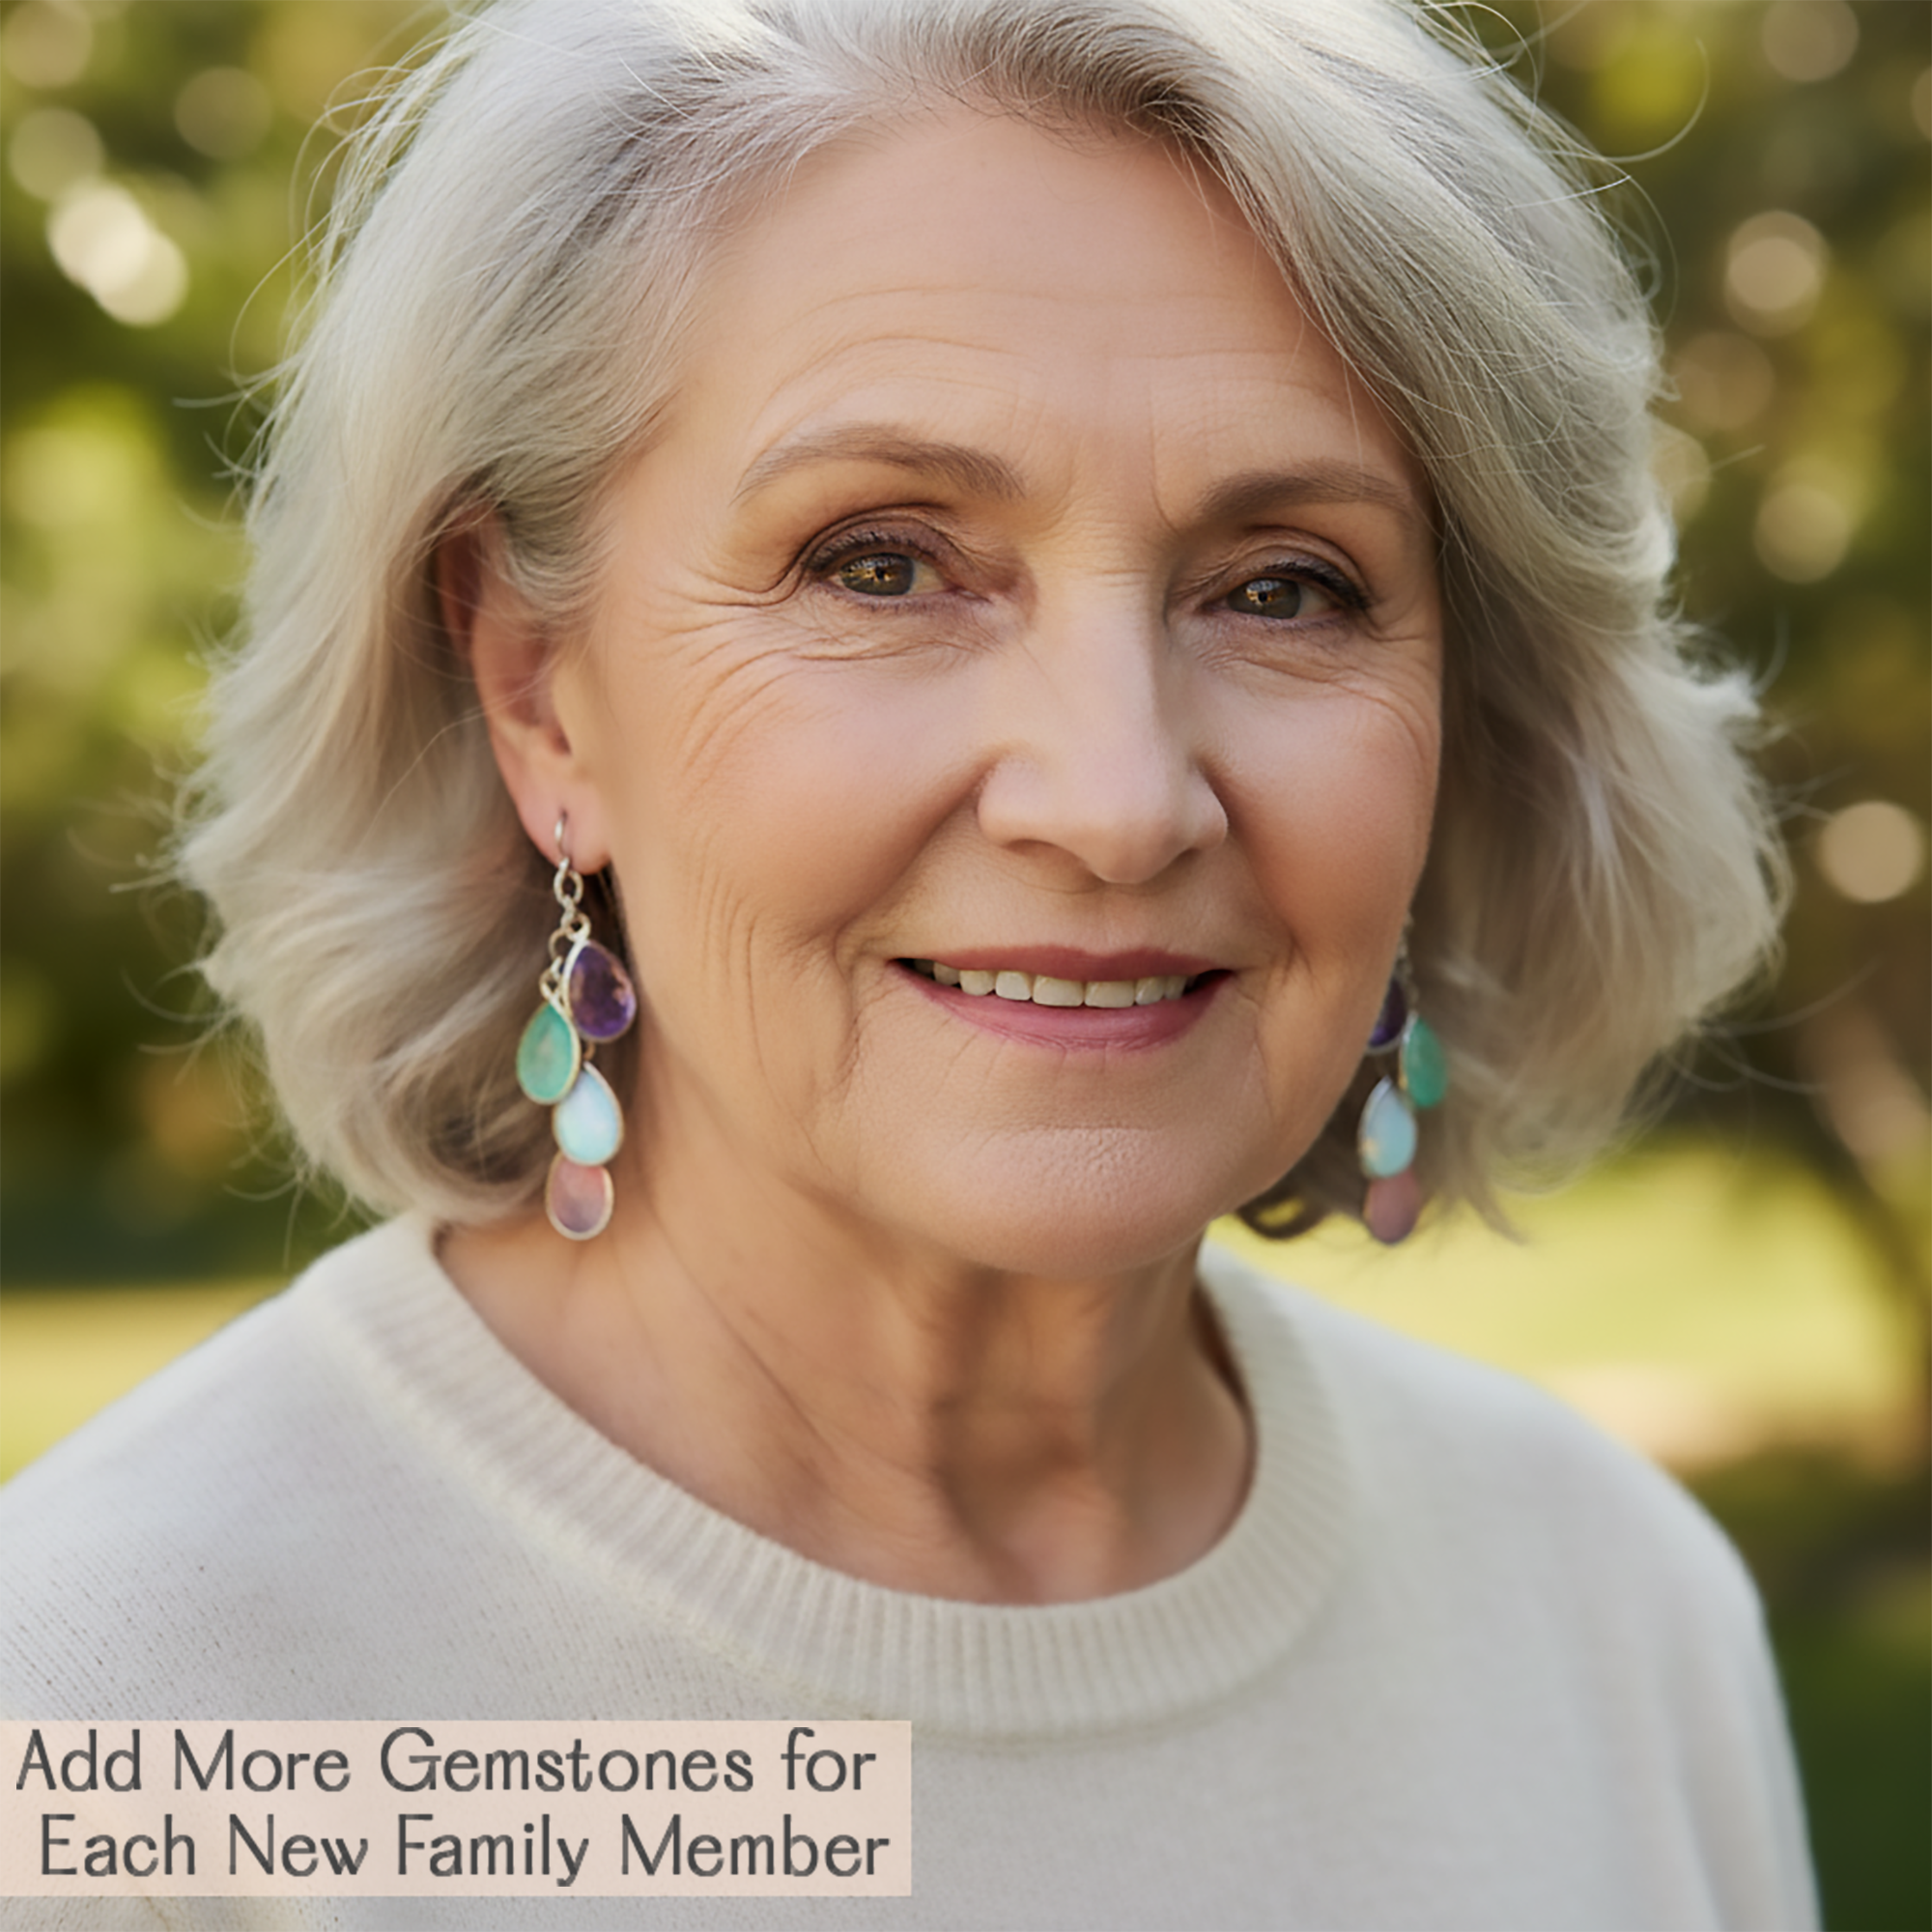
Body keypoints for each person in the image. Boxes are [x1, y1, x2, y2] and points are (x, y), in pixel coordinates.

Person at [0, 0, 1815, 1923]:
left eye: (1284, 584)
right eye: (880, 563)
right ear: (536, 689)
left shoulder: (1611, 1604)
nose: (1117, 799)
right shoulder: (133, 1725)